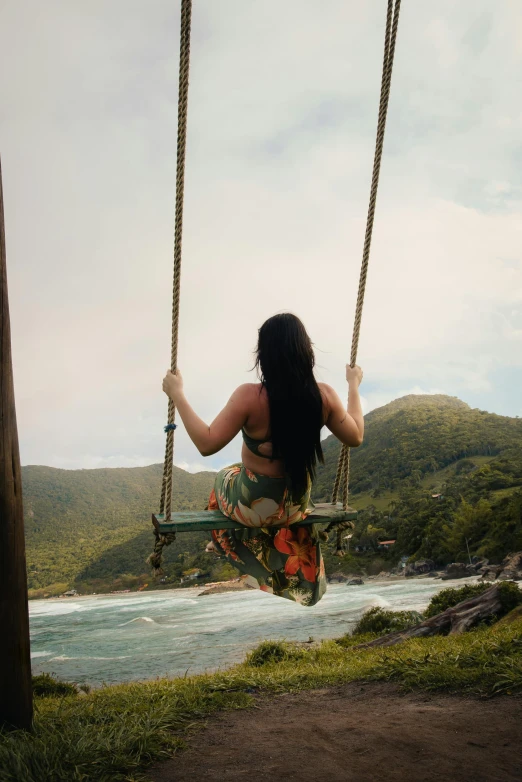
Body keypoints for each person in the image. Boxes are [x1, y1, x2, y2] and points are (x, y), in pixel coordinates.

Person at [162, 313, 364, 606]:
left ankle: (224, 541)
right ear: (306, 351)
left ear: (263, 355)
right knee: (256, 483)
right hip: (295, 506)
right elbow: (355, 436)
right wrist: (354, 385)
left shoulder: (249, 397)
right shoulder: (322, 397)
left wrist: (178, 395)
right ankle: (242, 539)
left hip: (254, 510)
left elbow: (206, 444)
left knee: (224, 476)